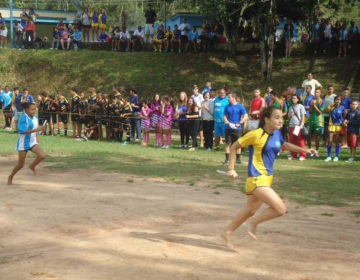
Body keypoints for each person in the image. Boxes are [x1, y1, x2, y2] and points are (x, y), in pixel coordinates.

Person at [221, 107, 318, 249]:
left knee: (250, 210)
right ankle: (253, 223)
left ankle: (227, 232)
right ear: (266, 119)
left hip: (267, 178)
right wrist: (231, 168)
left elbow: (284, 145)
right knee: (280, 209)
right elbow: (234, 146)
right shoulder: (255, 134)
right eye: (276, 117)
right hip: (256, 178)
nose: (280, 120)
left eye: (281, 117)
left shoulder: (277, 134)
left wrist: (305, 150)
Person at [8, 102, 46, 185]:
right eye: (32, 109)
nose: (34, 111)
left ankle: (32, 166)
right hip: (23, 144)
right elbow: (22, 131)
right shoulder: (23, 118)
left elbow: (35, 128)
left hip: (32, 142)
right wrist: (36, 130)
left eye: (35, 109)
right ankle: (11, 176)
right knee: (20, 165)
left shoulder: (35, 118)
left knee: (42, 155)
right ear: (27, 110)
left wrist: (36, 136)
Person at [223, 93, 248, 164]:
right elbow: (224, 116)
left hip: (237, 128)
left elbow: (245, 116)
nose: (228, 99)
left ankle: (238, 159)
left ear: (233, 98)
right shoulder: (227, 107)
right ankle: (227, 160)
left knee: (238, 144)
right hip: (228, 128)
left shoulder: (240, 107)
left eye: (229, 97)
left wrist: (240, 123)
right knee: (228, 143)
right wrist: (226, 121)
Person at [324, 95, 346, 162]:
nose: (338, 101)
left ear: (340, 101)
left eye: (339, 99)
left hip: (339, 125)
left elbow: (344, 116)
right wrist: (327, 108)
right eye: (336, 99)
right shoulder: (331, 106)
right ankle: (329, 156)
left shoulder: (342, 107)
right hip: (331, 125)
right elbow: (325, 112)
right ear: (334, 100)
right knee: (330, 141)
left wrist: (344, 121)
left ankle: (336, 156)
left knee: (337, 141)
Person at [287, 95, 307, 160]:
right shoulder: (291, 107)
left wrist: (302, 124)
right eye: (292, 98)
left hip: (298, 125)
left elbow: (303, 116)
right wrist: (290, 115)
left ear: (298, 99)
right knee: (293, 141)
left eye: (295, 98)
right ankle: (294, 155)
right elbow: (289, 117)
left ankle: (303, 155)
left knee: (300, 140)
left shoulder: (301, 106)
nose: (293, 99)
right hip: (291, 125)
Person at [307, 88, 325, 153]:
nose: (316, 93)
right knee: (309, 137)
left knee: (317, 137)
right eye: (315, 92)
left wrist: (314, 105)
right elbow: (310, 111)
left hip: (318, 121)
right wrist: (311, 105)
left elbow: (319, 112)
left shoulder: (322, 101)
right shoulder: (311, 101)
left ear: (320, 93)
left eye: (317, 92)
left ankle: (317, 150)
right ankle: (310, 151)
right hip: (311, 121)